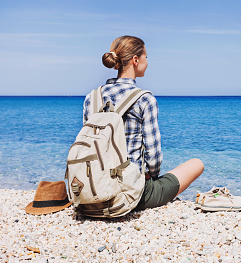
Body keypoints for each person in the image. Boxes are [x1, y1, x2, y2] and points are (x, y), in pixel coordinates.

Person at [82, 35, 204, 210]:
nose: (147, 62)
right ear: (135, 60)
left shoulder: (92, 98)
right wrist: (150, 175)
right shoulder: (144, 99)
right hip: (130, 194)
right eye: (146, 57)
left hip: (95, 190)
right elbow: (153, 157)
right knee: (196, 164)